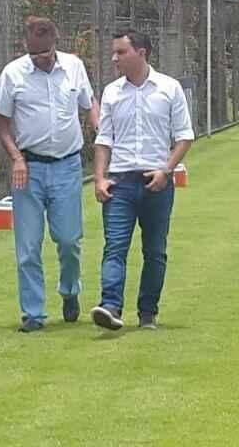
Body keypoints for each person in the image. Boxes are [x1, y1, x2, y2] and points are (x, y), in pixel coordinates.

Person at [0, 17, 99, 333]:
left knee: (68, 240)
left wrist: (100, 126)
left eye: (45, 53)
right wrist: (16, 159)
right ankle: (33, 314)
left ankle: (70, 290)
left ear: (55, 44)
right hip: (29, 169)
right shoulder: (13, 74)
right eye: (34, 54)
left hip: (67, 165)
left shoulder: (74, 67)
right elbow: (2, 125)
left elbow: (89, 103)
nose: (40, 59)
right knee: (28, 246)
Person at [90, 29, 194, 331]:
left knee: (155, 250)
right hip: (120, 182)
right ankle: (110, 306)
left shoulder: (169, 89)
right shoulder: (112, 92)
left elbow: (184, 136)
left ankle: (148, 312)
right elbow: (104, 139)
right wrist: (100, 179)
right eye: (114, 52)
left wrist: (166, 171)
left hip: (156, 182)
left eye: (121, 52)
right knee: (115, 246)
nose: (114, 58)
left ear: (142, 53)